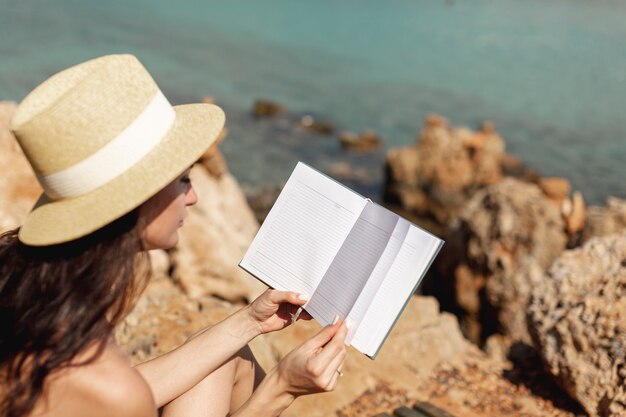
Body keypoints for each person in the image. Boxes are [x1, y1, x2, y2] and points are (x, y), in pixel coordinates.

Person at [0, 54, 348, 417]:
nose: (194, 196)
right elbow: (117, 396)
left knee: (224, 356)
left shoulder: (34, 295)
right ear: (139, 200)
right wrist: (282, 388)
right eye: (184, 179)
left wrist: (251, 321)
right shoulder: (109, 386)